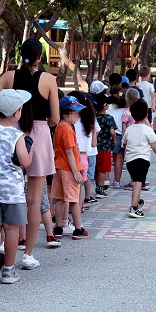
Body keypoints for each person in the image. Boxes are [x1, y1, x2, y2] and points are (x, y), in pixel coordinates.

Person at [0, 38, 59, 271]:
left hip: (11, 134)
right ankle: (28, 254)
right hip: (40, 137)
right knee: (34, 201)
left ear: (19, 55)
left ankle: (3, 245)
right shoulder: (49, 80)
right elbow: (54, 118)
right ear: (40, 58)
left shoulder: (9, 77)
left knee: (7, 191)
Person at [0, 89, 33, 285]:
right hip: (12, 191)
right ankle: (8, 271)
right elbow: (24, 161)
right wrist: (31, 150)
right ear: (17, 113)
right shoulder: (16, 135)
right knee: (11, 230)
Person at [122, 100, 156, 218]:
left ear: (132, 115)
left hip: (130, 161)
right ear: (146, 115)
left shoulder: (129, 129)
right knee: (138, 183)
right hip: (142, 160)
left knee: (136, 182)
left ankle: (137, 203)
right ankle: (133, 208)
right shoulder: (148, 130)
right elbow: (154, 147)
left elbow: (124, 144)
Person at [52, 95, 88, 240]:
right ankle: (78, 229)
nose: (78, 116)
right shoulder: (67, 129)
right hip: (68, 169)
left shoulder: (59, 128)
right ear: (65, 113)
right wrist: (76, 172)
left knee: (60, 199)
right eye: (75, 112)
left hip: (59, 167)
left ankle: (59, 227)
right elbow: (69, 151)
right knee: (74, 199)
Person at [70, 91, 99, 209]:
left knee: (70, 187)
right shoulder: (90, 120)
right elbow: (94, 143)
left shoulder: (72, 121)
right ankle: (79, 206)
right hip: (84, 157)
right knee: (79, 186)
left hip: (72, 155)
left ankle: (70, 210)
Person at [93, 93, 117, 198]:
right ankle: (100, 188)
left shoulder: (94, 117)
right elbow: (112, 132)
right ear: (105, 106)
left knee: (96, 167)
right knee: (103, 169)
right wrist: (114, 139)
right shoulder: (109, 118)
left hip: (94, 146)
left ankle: (97, 185)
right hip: (105, 146)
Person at [108, 81, 127, 189]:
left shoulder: (113, 113)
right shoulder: (130, 112)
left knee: (118, 160)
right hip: (128, 137)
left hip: (117, 136)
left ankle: (117, 181)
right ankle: (134, 181)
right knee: (129, 159)